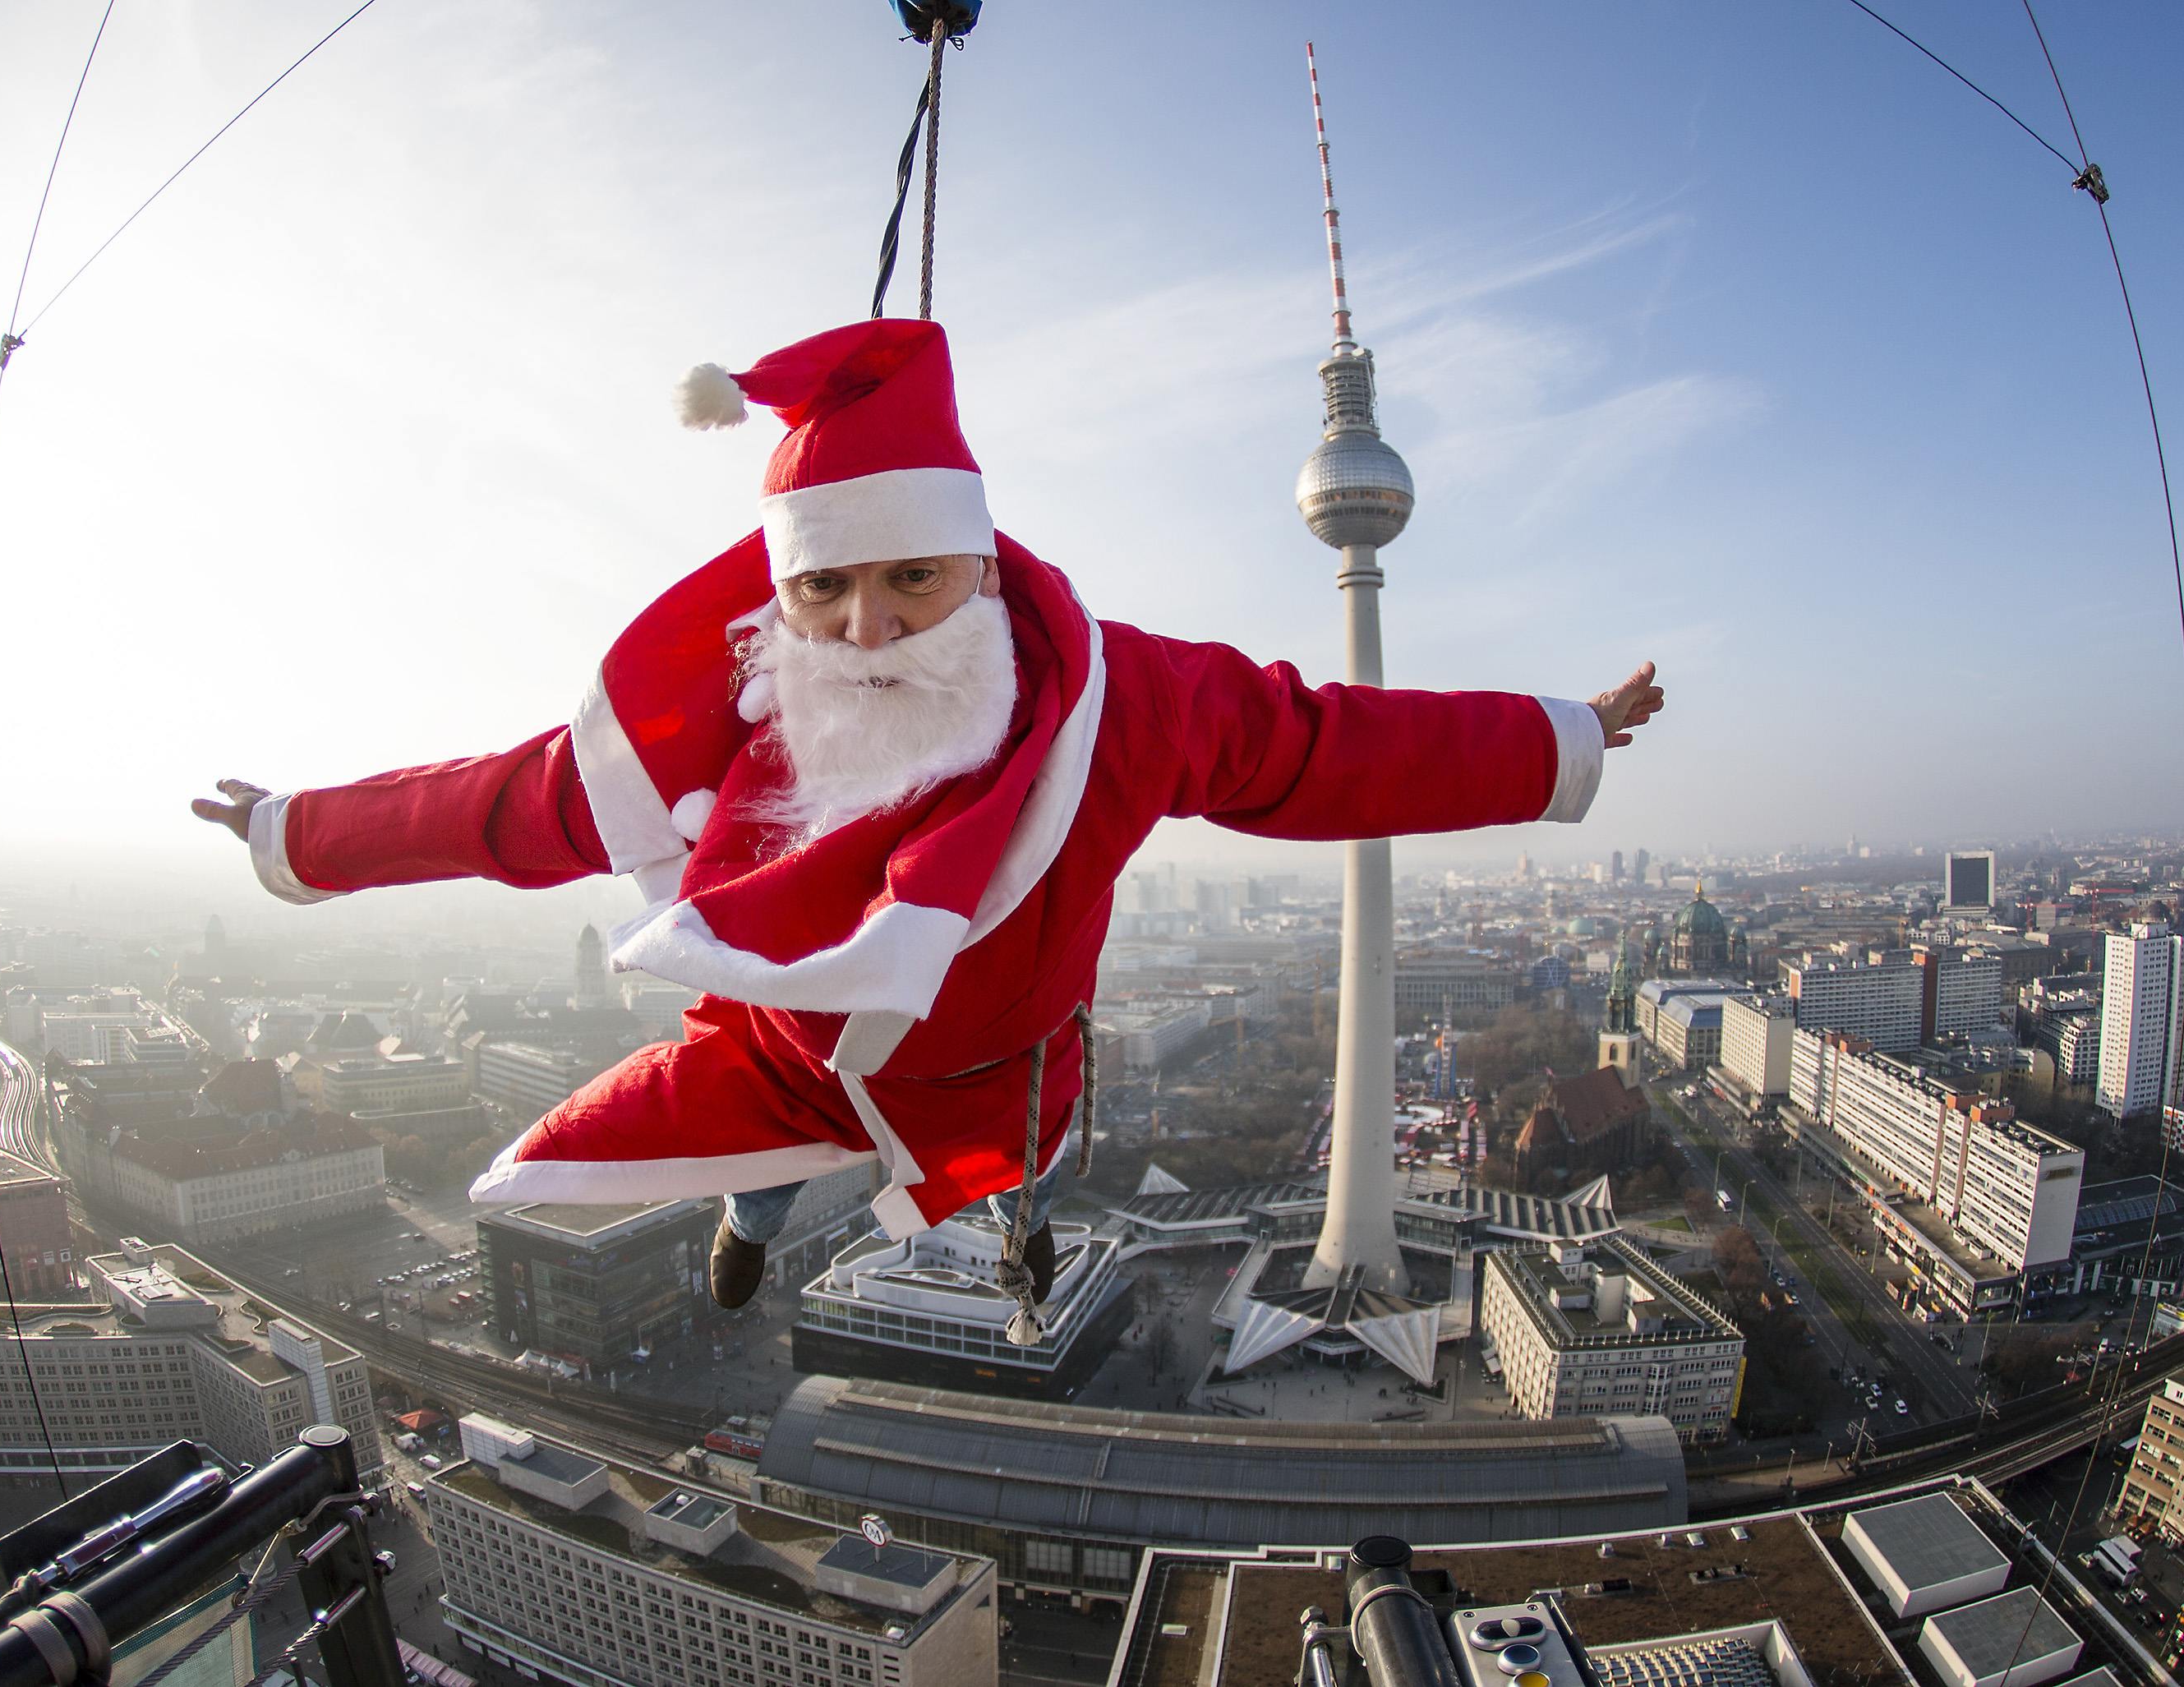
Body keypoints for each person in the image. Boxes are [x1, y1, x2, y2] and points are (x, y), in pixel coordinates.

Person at [193, 317, 1663, 1318]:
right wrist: (300, 832)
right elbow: (502, 807)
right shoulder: (726, 717)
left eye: (909, 577)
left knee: (1013, 1164)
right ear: (778, 592)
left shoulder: (1117, 700)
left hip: (997, 1066)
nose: (867, 625)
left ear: (973, 555)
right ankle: (750, 1227)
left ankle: (1018, 1237)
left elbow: (1330, 747)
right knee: (759, 1159)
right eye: (822, 589)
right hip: (784, 1051)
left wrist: (1561, 737)